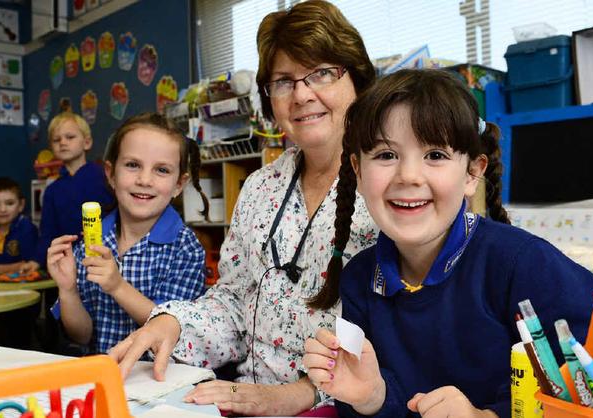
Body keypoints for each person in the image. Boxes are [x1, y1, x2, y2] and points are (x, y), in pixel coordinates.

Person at [109, 1, 378, 416]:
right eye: (284, 82)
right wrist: (175, 324)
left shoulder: (390, 186)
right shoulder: (260, 187)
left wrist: (300, 393)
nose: (303, 94)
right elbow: (234, 302)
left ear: (358, 80)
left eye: (322, 73)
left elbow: (403, 332)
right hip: (244, 401)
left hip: (343, 407)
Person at [302, 69, 593, 418]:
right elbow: (365, 405)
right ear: (358, 171)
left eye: (435, 155)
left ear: (472, 174)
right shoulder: (359, 279)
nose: (409, 176)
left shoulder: (524, 264)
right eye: (386, 155)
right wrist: (372, 397)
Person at [47, 112, 208, 354]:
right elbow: (81, 335)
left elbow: (172, 331)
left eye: (161, 170)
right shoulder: (92, 242)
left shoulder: (185, 248)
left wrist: (117, 286)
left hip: (158, 382)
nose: (144, 179)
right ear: (111, 174)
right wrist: (68, 289)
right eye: (133, 165)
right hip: (103, 377)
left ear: (178, 184)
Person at [35, 112, 114, 269]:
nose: (63, 142)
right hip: (67, 263)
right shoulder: (52, 190)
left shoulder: (104, 176)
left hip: (105, 256)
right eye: (57, 140)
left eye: (70, 137)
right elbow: (48, 233)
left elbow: (119, 214)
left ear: (87, 142)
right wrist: (36, 261)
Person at [0, 177, 39, 275]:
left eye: (10, 203)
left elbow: (29, 264)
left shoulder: (27, 229)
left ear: (21, 205)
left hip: (23, 285)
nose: (3, 209)